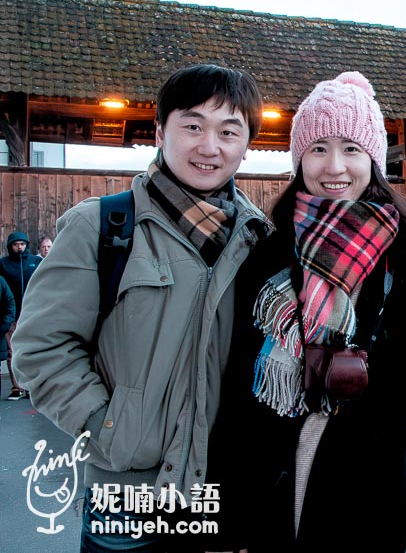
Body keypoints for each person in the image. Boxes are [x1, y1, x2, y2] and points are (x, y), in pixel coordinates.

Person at [12, 64, 268, 551]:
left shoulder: (259, 240)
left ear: (246, 143)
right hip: (125, 496)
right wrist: (107, 429)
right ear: (159, 131)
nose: (209, 146)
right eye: (192, 126)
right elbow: (40, 348)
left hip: (224, 493)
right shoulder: (101, 227)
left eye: (228, 131)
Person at [210, 71, 406, 552]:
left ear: (373, 159)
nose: (335, 166)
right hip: (268, 478)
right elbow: (235, 375)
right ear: (298, 159)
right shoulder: (266, 252)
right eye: (318, 148)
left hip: (365, 481)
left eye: (351, 149)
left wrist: (382, 427)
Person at [0, 231, 42, 399]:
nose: (19, 247)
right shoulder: (3, 264)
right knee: (12, 352)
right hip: (12, 315)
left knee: (33, 350)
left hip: (33, 314)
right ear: (10, 246)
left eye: (22, 244)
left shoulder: (35, 262)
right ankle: (17, 387)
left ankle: (32, 386)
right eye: (16, 244)